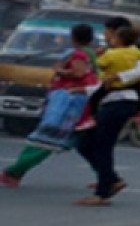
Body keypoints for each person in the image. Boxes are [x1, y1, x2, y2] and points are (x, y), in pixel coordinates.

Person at [0, 24, 99, 187]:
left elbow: (78, 73)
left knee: (46, 138)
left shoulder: (79, 54)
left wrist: (60, 71)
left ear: (73, 37)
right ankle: (108, 177)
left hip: (70, 103)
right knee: (84, 143)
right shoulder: (92, 54)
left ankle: (14, 171)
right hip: (82, 103)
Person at [74, 20, 140, 206]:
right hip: (110, 102)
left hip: (121, 103)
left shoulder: (131, 53)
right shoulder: (114, 55)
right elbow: (101, 83)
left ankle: (102, 193)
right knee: (85, 144)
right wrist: (82, 90)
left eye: (111, 34)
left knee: (102, 146)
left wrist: (118, 76)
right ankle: (112, 180)